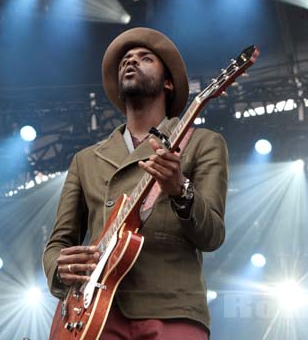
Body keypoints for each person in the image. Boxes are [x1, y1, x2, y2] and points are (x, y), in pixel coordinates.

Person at [43, 27, 228, 339]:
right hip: (95, 314)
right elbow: (58, 243)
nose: (131, 62)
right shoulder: (86, 159)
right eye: (125, 61)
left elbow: (212, 234)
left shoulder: (203, 143)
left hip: (172, 308)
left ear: (168, 82)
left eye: (145, 58)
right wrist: (59, 268)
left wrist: (180, 190)